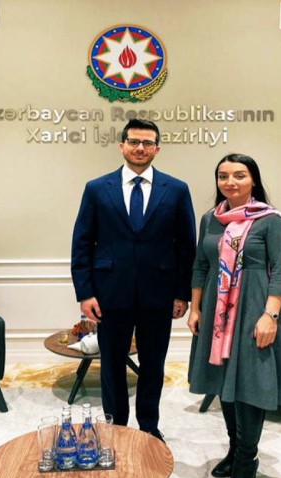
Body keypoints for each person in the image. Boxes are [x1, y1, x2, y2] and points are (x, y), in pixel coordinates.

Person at [71, 118, 196, 442]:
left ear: (157, 148)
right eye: (134, 142)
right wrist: (85, 293)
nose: (140, 148)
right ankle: (116, 427)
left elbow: (186, 246)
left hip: (160, 293)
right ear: (122, 145)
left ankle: (149, 426)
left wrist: (182, 293)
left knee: (153, 364)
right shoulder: (97, 188)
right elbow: (82, 242)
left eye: (147, 143)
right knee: (112, 364)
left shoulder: (176, 189)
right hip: (110, 293)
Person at [187, 153, 281, 478]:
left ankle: (246, 463)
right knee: (224, 382)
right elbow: (201, 265)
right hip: (216, 314)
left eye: (239, 175)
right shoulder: (210, 219)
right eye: (223, 176)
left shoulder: (271, 221)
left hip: (254, 310)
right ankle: (235, 450)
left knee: (249, 386)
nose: (230, 182)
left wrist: (271, 316)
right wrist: (195, 308)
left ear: (253, 180)